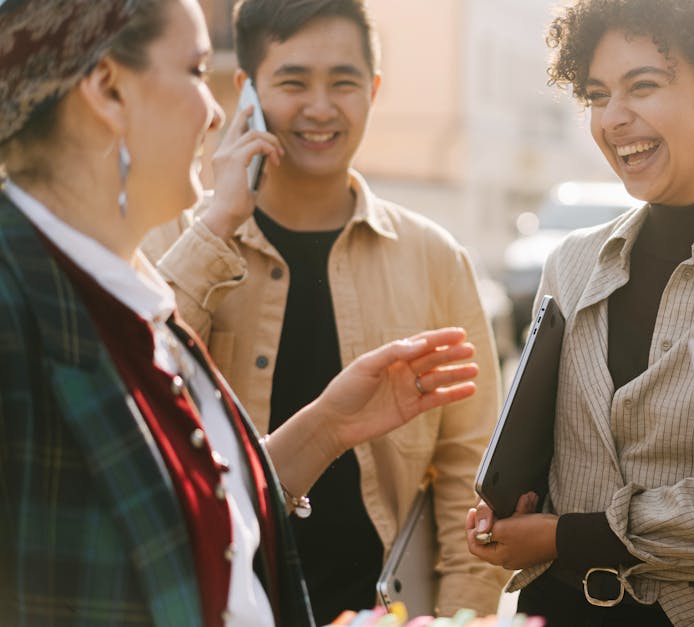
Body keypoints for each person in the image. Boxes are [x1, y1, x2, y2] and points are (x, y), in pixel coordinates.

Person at [0, 0, 480, 625]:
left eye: (342, 81)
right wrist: (219, 222)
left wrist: (328, 426)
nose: (216, 113)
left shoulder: (131, 293)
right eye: (197, 72)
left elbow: (207, 518)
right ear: (109, 91)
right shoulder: (31, 299)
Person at [139, 0, 508, 620]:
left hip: (378, 612)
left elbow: (469, 476)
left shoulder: (434, 258)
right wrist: (220, 220)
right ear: (247, 91)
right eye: (293, 82)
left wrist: (458, 618)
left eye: (343, 82)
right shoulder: (174, 237)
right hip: (215, 603)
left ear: (374, 90)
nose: (319, 107)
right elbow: (137, 386)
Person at [465, 0, 694, 625]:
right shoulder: (570, 264)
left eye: (643, 86)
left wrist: (563, 536)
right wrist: (510, 509)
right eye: (597, 94)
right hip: (553, 610)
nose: (613, 117)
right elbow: (544, 451)